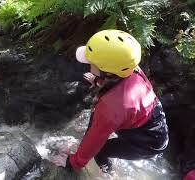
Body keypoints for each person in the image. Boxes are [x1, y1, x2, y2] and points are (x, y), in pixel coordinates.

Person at [53, 29, 169, 174]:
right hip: (151, 122)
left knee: (100, 151)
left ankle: (107, 173)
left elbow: (94, 140)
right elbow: (117, 82)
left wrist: (72, 162)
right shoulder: (132, 69)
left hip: (148, 143)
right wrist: (98, 81)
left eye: (91, 62)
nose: (88, 64)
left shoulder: (111, 107)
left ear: (107, 71)